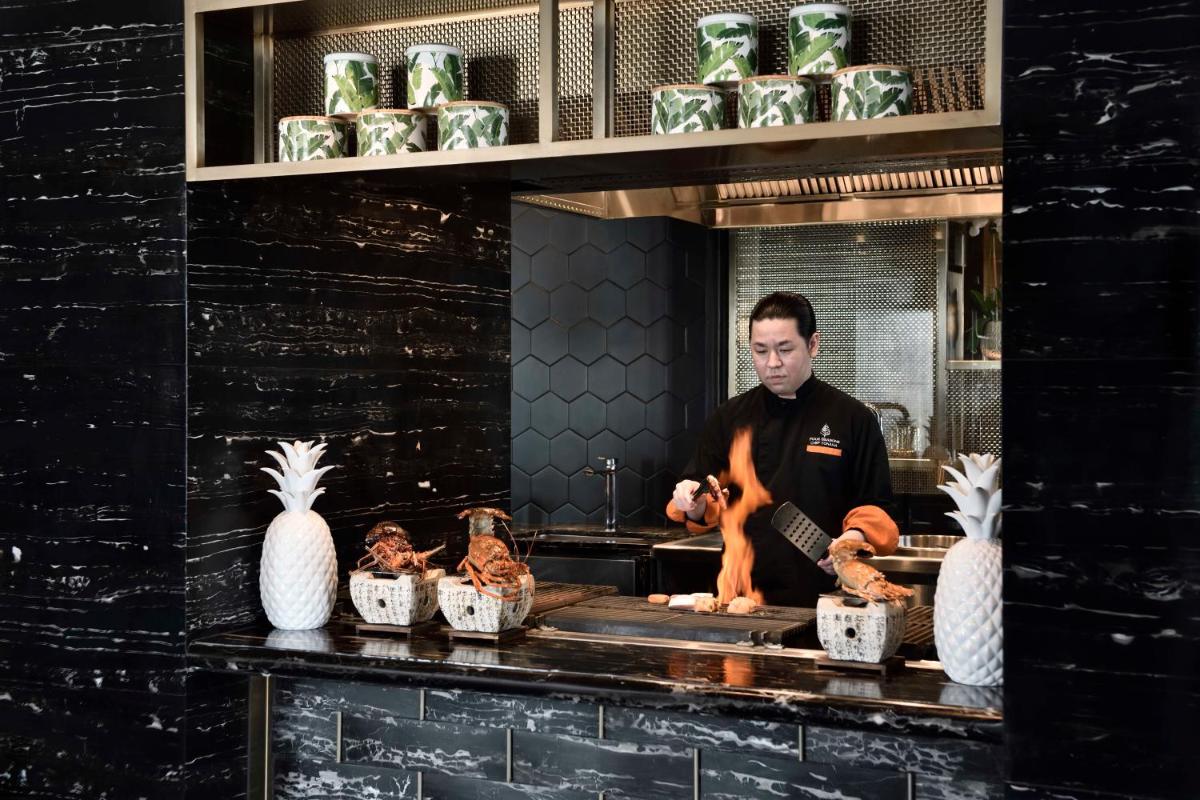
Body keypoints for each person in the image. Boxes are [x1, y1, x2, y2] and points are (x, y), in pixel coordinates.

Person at [666, 291, 899, 607]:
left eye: (785, 349)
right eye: (760, 351)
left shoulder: (852, 419)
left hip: (824, 597)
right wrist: (689, 499)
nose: (772, 363)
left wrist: (850, 542)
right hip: (740, 594)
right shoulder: (730, 418)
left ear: (813, 345)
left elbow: (877, 505)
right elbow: (703, 500)